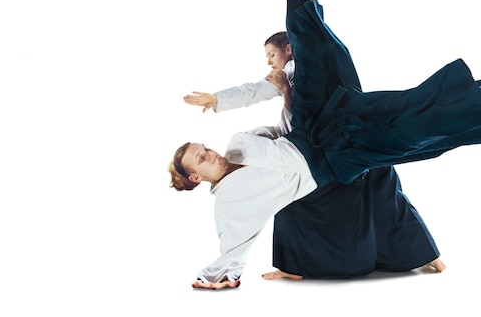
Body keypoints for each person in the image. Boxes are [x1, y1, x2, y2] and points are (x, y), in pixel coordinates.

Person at [169, 0, 481, 289]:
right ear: (196, 177)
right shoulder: (231, 201)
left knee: (344, 72)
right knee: (406, 136)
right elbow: (236, 238)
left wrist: (222, 98)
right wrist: (221, 275)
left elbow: (267, 111)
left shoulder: (240, 143)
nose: (211, 153)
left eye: (205, 148)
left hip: (316, 126)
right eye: (202, 158)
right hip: (333, 161)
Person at [183, 32, 445, 281]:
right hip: (345, 142)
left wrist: (218, 99)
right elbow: (289, 109)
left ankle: (295, 267)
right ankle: (426, 256)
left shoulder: (297, 70)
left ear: (288, 50)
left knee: (291, 195)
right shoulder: (309, 68)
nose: (268, 61)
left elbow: (258, 92)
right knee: (385, 192)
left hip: (334, 149)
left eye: (271, 54)